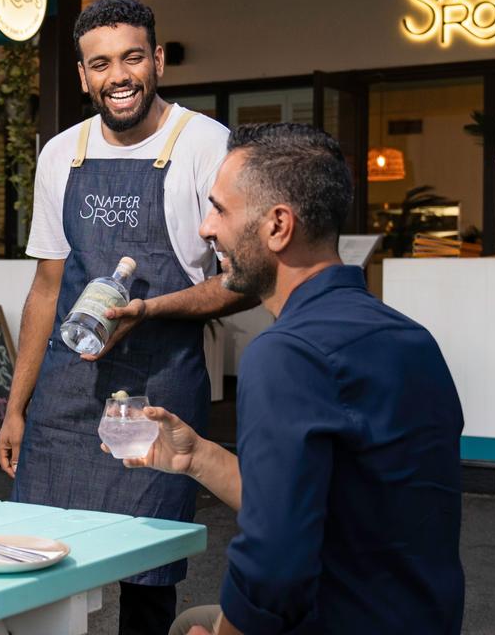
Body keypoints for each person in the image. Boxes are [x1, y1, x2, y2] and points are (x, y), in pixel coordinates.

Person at [119, 123, 464, 635]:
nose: (205, 228)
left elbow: (274, 560)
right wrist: (198, 457)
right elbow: (322, 503)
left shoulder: (287, 355)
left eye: (219, 209)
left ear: (278, 226)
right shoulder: (413, 340)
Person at [0, 0, 254, 635]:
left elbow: (243, 281)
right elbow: (46, 287)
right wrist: (17, 406)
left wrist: (150, 309)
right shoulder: (62, 153)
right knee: (34, 555)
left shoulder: (202, 143)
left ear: (157, 60)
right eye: (101, 63)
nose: (119, 76)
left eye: (133, 57)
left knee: (147, 571)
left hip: (160, 382)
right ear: (82, 76)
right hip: (65, 390)